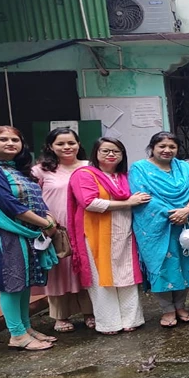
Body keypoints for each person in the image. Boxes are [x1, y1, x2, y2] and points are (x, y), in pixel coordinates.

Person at [0, 126, 60, 351]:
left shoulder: (19, 170)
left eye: (15, 140)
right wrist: (45, 224)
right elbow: (10, 205)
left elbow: (38, 200)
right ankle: (17, 335)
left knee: (24, 282)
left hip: (29, 233)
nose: (11, 143)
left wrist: (49, 217)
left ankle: (26, 328)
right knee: (11, 284)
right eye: (3, 139)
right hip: (7, 234)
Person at [67, 138, 149, 335]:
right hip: (96, 235)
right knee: (101, 279)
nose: (111, 155)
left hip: (124, 233)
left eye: (116, 151)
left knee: (127, 275)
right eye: (105, 151)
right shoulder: (84, 174)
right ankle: (109, 323)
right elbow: (90, 203)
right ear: (96, 153)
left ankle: (132, 319)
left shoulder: (123, 177)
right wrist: (129, 202)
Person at [129, 132, 189, 327]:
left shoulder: (184, 167)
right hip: (157, 225)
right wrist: (174, 213)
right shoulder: (139, 168)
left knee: (187, 263)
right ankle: (167, 310)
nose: (167, 150)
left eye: (172, 147)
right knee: (163, 265)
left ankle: (181, 306)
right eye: (162, 146)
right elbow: (142, 196)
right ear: (152, 148)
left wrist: (187, 210)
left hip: (188, 221)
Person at [31, 127, 95, 332]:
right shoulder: (41, 170)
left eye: (71, 143)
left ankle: (90, 312)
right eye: (60, 143)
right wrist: (45, 222)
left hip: (86, 226)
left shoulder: (90, 166)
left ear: (79, 144)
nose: (67, 147)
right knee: (59, 272)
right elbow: (33, 198)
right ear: (50, 146)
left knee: (85, 269)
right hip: (56, 229)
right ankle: (61, 316)